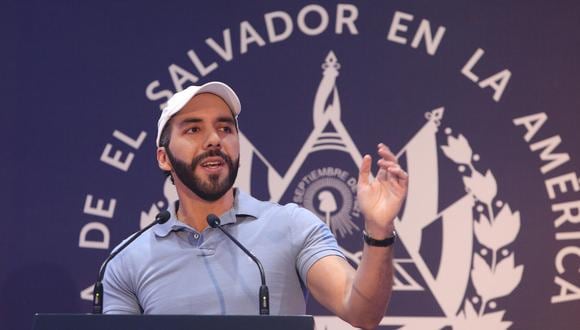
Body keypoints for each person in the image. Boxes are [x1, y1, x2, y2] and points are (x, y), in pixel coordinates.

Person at [103, 81, 408, 329]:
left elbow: (361, 312)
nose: (214, 140)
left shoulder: (291, 226)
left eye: (225, 128)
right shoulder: (127, 259)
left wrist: (379, 229)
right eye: (193, 130)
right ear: (163, 157)